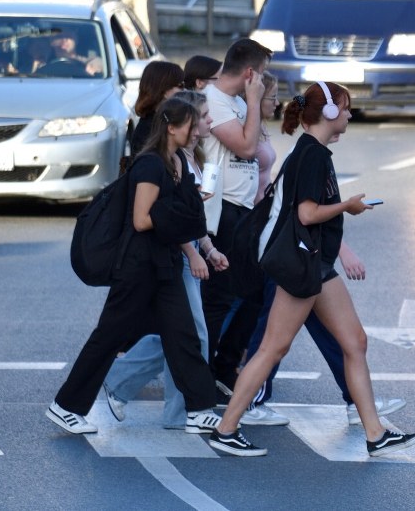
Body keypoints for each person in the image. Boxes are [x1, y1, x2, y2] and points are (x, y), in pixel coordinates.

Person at [209, 81, 415, 457]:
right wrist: (348, 207)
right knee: (273, 348)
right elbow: (307, 214)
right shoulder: (312, 156)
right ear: (327, 113)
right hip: (299, 266)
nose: (349, 114)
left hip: (315, 263)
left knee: (355, 342)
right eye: (345, 107)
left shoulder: (313, 152)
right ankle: (227, 428)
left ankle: (375, 433)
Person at [48, 96, 221, 436]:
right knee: (109, 336)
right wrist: (177, 214)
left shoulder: (177, 162)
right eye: (192, 123)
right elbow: (142, 220)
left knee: (184, 335)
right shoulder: (150, 165)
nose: (198, 130)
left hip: (164, 264)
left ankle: (199, 409)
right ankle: (65, 406)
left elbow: (173, 214)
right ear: (171, 127)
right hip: (138, 266)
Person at [103, 91, 226, 429]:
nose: (206, 124)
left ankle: (130, 386)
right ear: (178, 125)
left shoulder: (189, 158)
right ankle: (176, 409)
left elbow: (188, 215)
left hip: (186, 253)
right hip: (175, 256)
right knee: (191, 336)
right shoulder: (168, 161)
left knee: (181, 334)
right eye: (201, 117)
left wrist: (209, 249)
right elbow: (166, 217)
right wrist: (194, 253)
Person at [199, 40, 269, 400]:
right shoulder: (212, 101)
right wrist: (255, 103)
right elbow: (245, 147)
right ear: (248, 73)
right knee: (218, 299)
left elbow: (259, 149)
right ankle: (204, 376)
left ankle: (225, 366)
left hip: (245, 209)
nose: (263, 80)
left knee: (256, 293)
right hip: (220, 209)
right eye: (262, 73)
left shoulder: (241, 103)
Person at [129, 61, 185, 156]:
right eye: (181, 85)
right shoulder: (148, 130)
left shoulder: (163, 120)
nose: (184, 90)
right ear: (164, 90)